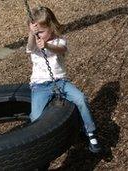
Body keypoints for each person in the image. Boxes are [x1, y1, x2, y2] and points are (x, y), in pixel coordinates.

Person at [26, 6, 101, 153]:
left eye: (41, 32)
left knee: (81, 99)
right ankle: (40, 146)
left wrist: (46, 45)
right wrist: (31, 33)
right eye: (36, 32)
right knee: (35, 117)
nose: (38, 35)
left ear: (51, 27)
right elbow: (29, 46)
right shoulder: (34, 43)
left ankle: (90, 131)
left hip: (61, 82)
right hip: (40, 86)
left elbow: (61, 50)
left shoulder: (60, 41)